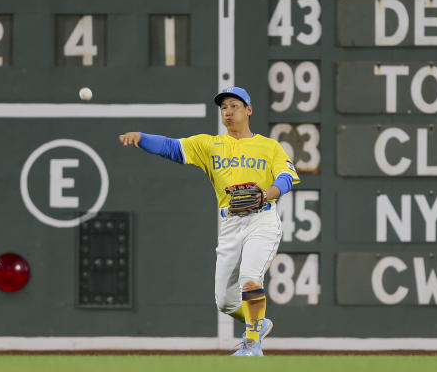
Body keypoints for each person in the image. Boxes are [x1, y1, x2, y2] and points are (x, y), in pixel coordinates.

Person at [118, 86, 300, 357]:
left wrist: (265, 194)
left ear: (249, 109)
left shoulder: (269, 146)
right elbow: (171, 147)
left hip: (261, 220)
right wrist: (141, 137)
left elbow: (286, 178)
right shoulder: (209, 145)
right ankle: (258, 323)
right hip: (230, 225)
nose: (228, 111)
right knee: (225, 302)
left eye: (234, 105)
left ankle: (252, 344)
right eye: (223, 107)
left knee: (251, 278)